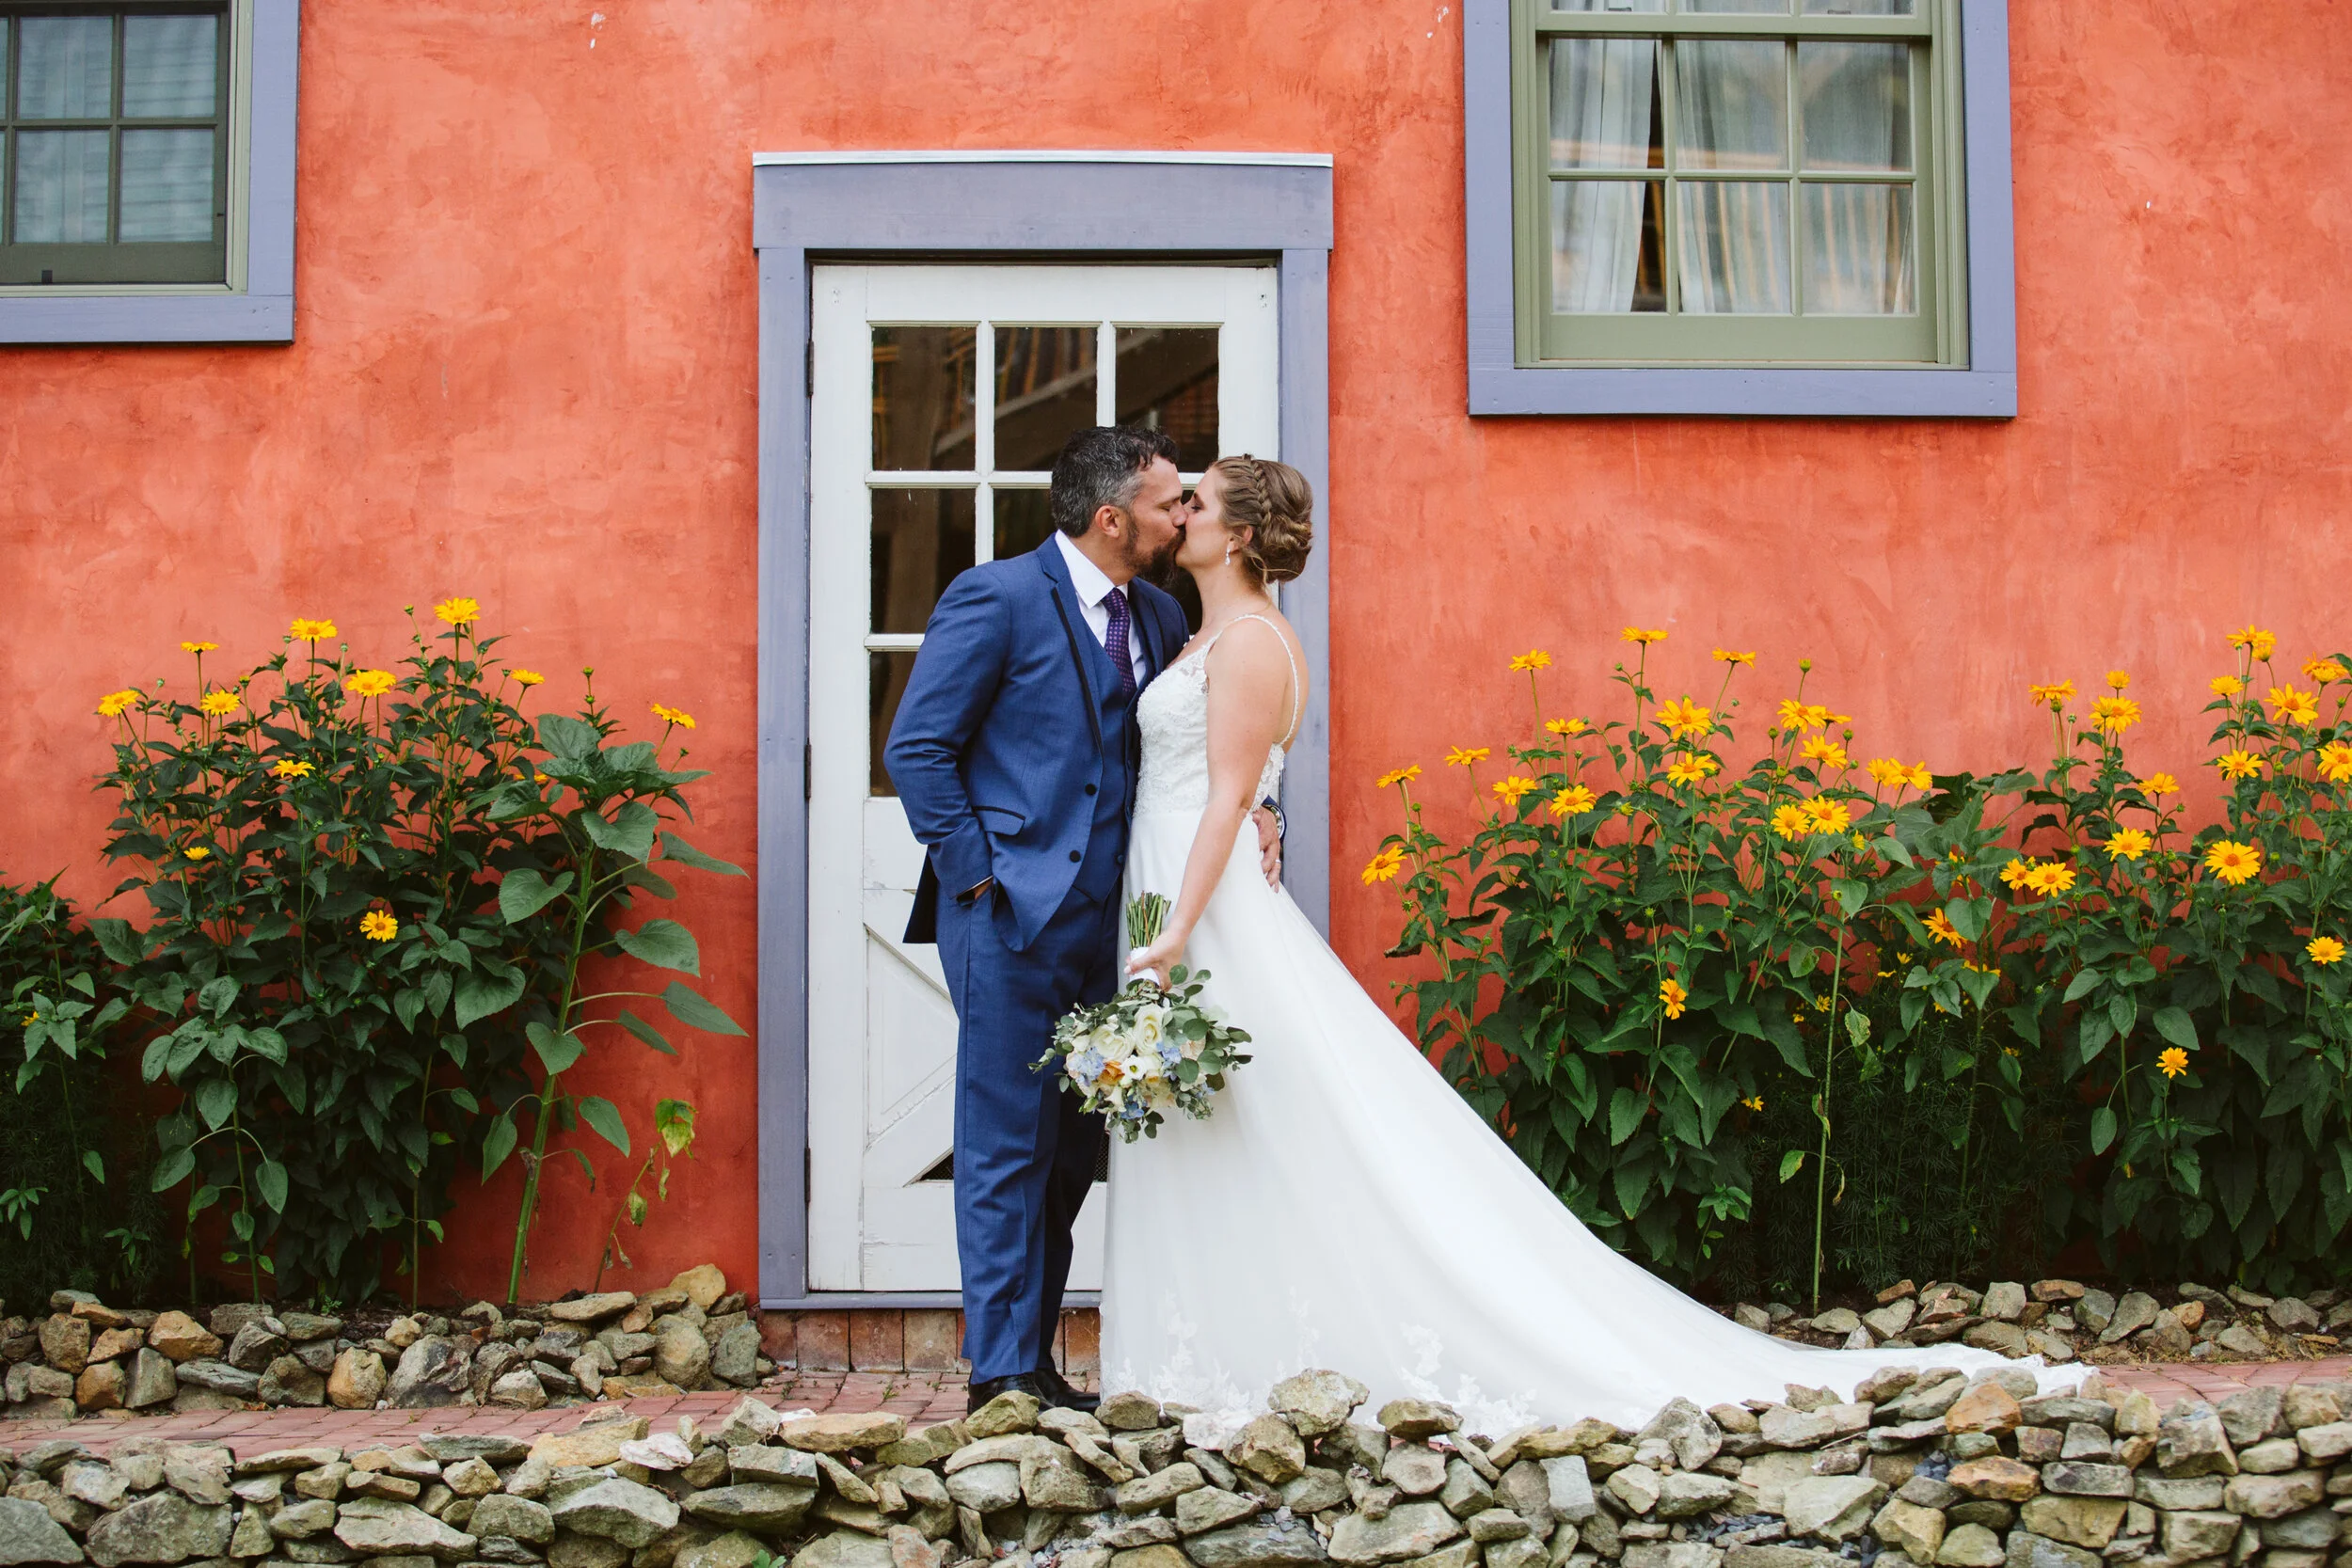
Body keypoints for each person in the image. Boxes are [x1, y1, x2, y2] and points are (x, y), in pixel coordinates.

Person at [1102, 454, 2066, 1433]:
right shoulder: (1197, 631)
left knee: (1264, 1107)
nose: (1180, 515)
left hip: (1204, 908)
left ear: (1243, 535)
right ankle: (1215, 1347)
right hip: (1174, 883)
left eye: (1198, 503)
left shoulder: (1254, 640)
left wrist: (1178, 928)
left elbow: (1228, 789)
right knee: (1219, 1116)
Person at [884, 425, 1279, 1416]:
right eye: (1164, 501)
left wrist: (1264, 808)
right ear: (1113, 517)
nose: (1179, 513)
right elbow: (918, 749)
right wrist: (982, 881)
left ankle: (1037, 1360)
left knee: (1069, 1152)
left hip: (1119, 927)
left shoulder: (1154, 608)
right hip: (1010, 918)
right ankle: (999, 1373)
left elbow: (1208, 749)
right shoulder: (997, 596)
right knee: (1002, 1143)